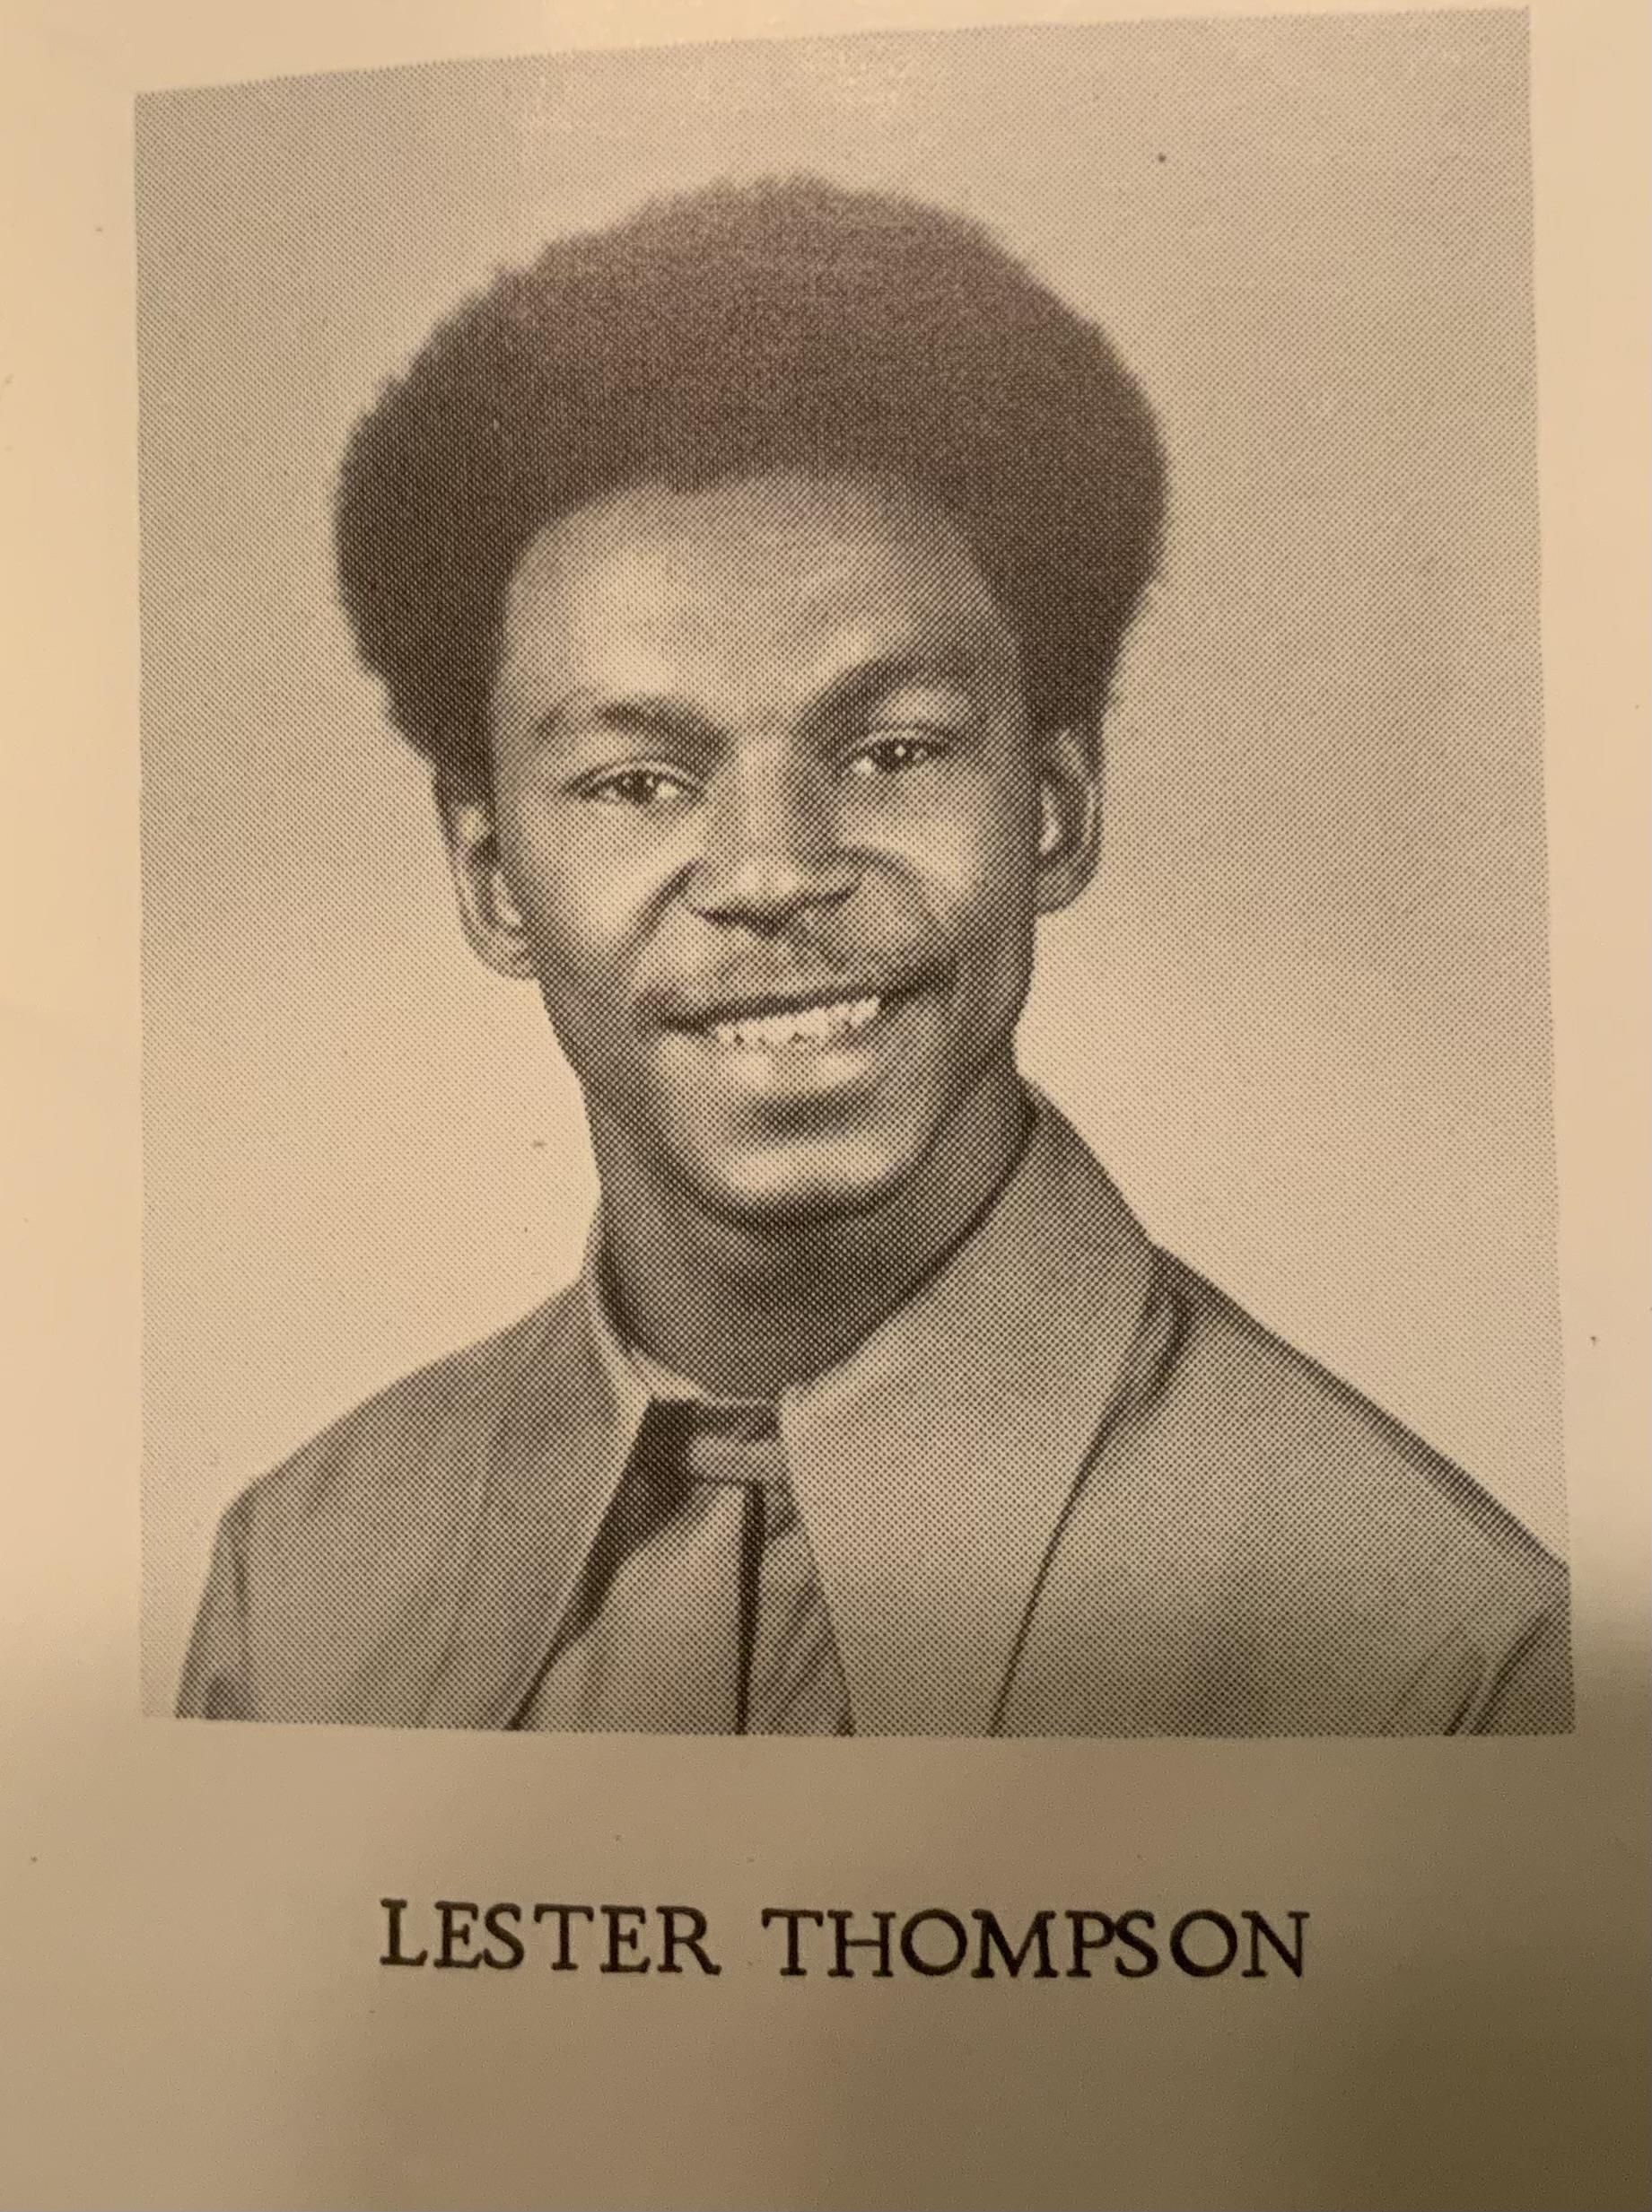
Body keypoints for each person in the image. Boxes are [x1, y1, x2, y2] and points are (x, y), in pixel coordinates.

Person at [177, 176, 1569, 1736]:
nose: (774, 873)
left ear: (1055, 806)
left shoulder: (1441, 1662)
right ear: (491, 876)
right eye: (638, 781)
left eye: (891, 751)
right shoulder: (297, 1594)